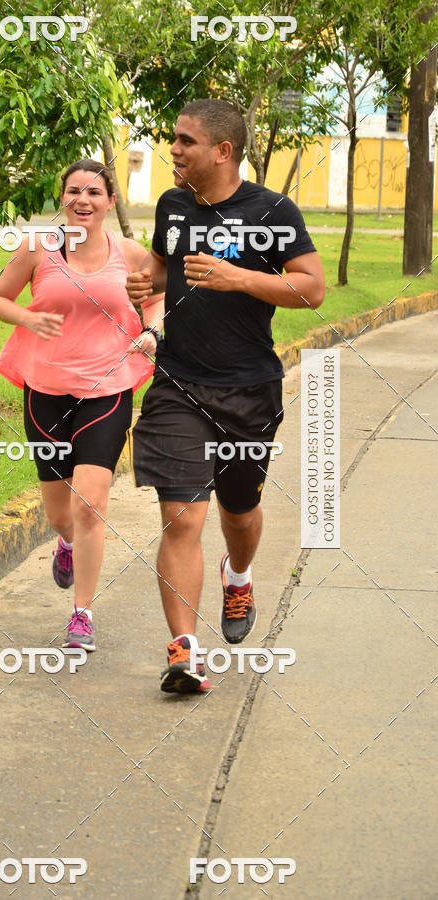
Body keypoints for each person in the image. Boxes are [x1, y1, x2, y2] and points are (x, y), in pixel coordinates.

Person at [126, 99, 325, 694]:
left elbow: (312, 289)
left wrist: (238, 276)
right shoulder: (174, 204)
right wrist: (148, 280)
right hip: (178, 383)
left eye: (186, 141)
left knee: (238, 513)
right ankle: (183, 653)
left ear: (223, 151)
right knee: (180, 515)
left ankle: (237, 575)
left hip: (247, 390)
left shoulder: (272, 211)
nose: (175, 150)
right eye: (173, 139)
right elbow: (168, 268)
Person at [0, 159, 164, 652]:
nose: (82, 200)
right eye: (73, 191)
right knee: (60, 513)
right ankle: (64, 544)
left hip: (106, 390)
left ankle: (81, 615)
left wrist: (152, 330)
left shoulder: (127, 253)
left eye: (93, 192)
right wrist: (27, 317)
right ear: (63, 198)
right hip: (45, 390)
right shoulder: (38, 249)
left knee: (91, 503)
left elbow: (154, 299)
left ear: (110, 201)